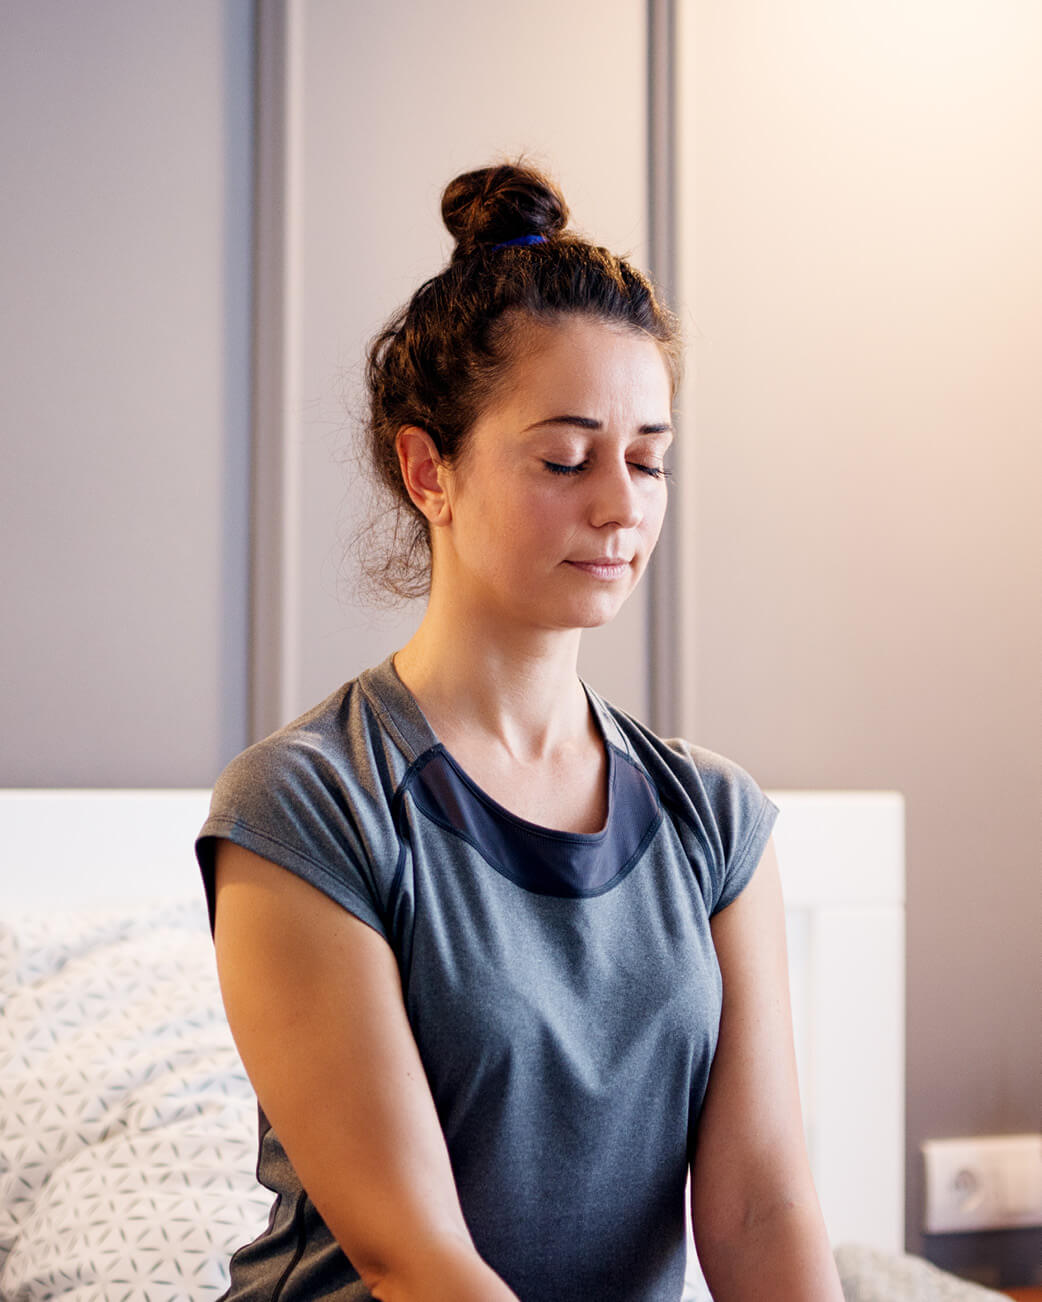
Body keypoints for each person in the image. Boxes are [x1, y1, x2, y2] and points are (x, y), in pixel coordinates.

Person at [196, 161, 843, 1302]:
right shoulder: (306, 805)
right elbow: (413, 1255)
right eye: (564, 458)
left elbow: (760, 1209)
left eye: (648, 460)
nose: (620, 506)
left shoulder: (715, 821)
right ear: (425, 468)